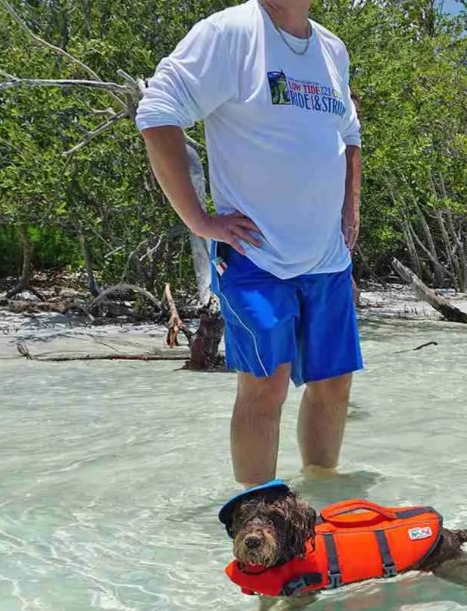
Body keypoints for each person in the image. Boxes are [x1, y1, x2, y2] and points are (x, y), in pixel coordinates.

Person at [135, 0, 363, 486]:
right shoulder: (230, 32)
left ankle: (320, 501)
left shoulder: (332, 49)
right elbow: (157, 110)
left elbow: (349, 133)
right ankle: (258, 517)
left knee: (334, 384)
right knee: (265, 387)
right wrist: (199, 220)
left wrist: (351, 208)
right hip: (256, 254)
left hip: (326, 257)